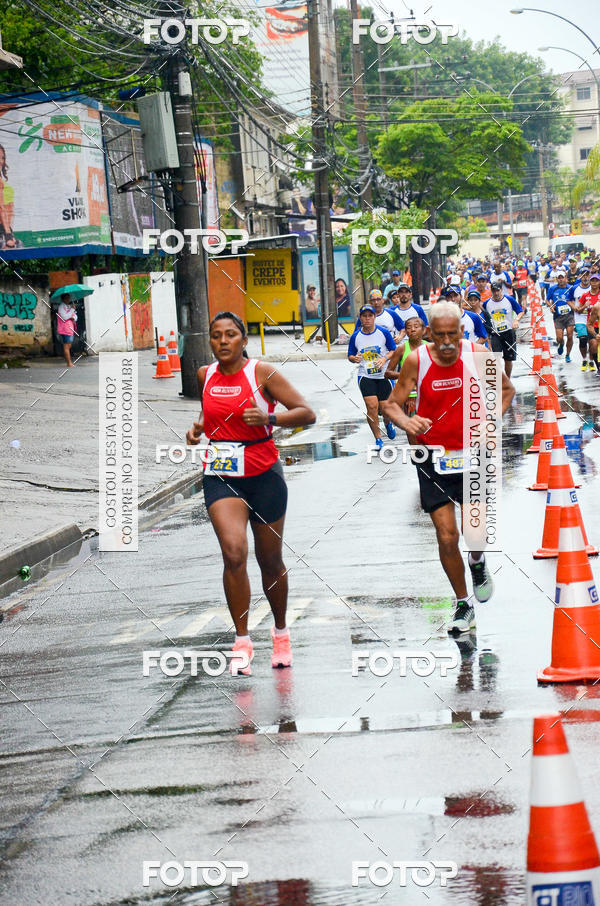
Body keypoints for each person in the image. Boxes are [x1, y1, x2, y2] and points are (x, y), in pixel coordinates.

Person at [185, 311, 316, 676]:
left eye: (230, 335)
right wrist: (197, 430)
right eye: (216, 336)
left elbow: (307, 413)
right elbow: (210, 414)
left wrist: (269, 419)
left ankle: (280, 632)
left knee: (270, 560)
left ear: (244, 340)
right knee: (233, 553)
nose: (223, 341)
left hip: (263, 474)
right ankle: (242, 640)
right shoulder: (204, 375)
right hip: (222, 474)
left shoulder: (262, 374)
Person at [382, 302, 515, 633]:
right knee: (446, 534)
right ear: (429, 333)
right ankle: (462, 605)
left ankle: (478, 560)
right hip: (432, 456)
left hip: (474, 452)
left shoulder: (478, 354)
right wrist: (407, 421)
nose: (445, 342)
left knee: (475, 533)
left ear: (461, 331)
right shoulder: (417, 359)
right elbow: (391, 405)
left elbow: (507, 391)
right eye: (438, 335)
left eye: (451, 334)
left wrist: (492, 420)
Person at [348, 303, 397, 449]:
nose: (367, 319)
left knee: (385, 409)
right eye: (364, 316)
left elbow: (393, 350)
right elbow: (350, 355)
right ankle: (378, 439)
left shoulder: (383, 332)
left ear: (375, 317)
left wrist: (384, 359)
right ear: (360, 318)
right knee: (372, 407)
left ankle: (388, 423)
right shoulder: (355, 336)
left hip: (383, 376)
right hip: (365, 376)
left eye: (370, 315)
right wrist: (354, 359)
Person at [385, 316, 428, 417]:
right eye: (409, 327)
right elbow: (388, 372)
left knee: (429, 428)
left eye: (416, 326)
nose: (412, 329)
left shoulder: (429, 347)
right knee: (412, 428)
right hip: (409, 395)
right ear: (406, 332)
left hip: (427, 393)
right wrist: (405, 375)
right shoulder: (401, 349)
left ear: (424, 330)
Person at [482, 279, 523, 377]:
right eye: (494, 291)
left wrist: (516, 320)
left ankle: (507, 379)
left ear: (501, 290)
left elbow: (520, 311)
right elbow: (484, 320)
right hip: (495, 334)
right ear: (491, 291)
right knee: (496, 357)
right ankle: (500, 380)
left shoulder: (509, 300)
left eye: (498, 290)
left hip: (509, 332)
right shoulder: (486, 303)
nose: (496, 293)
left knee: (508, 359)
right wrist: (488, 336)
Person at [546, 269, 575, 360]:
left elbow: (575, 299)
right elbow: (547, 300)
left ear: (566, 278)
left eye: (562, 278)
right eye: (559, 278)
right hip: (558, 316)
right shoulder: (553, 288)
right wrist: (551, 306)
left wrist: (574, 306)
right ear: (556, 279)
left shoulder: (570, 288)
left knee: (570, 335)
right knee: (559, 338)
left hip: (569, 315)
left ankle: (568, 354)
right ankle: (561, 344)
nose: (561, 280)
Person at [579, 274, 600, 372]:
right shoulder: (585, 295)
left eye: (597, 280)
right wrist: (584, 306)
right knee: (593, 345)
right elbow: (578, 309)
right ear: (590, 282)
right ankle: (597, 366)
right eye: (593, 280)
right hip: (591, 325)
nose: (595, 282)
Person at [0, 145, 16, 249]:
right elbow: (1, 208)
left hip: (6, 228)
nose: (1, 161)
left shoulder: (2, 181)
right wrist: (8, 234)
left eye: (2, 158)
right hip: (3, 231)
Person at [56, 294, 78, 367]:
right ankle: (69, 363)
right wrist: (72, 310)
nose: (68, 299)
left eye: (68, 298)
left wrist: (73, 317)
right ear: (63, 299)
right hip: (64, 329)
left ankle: (69, 362)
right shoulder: (61, 307)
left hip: (70, 328)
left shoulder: (68, 306)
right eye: (66, 298)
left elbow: (75, 316)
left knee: (69, 345)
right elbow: (64, 317)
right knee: (67, 346)